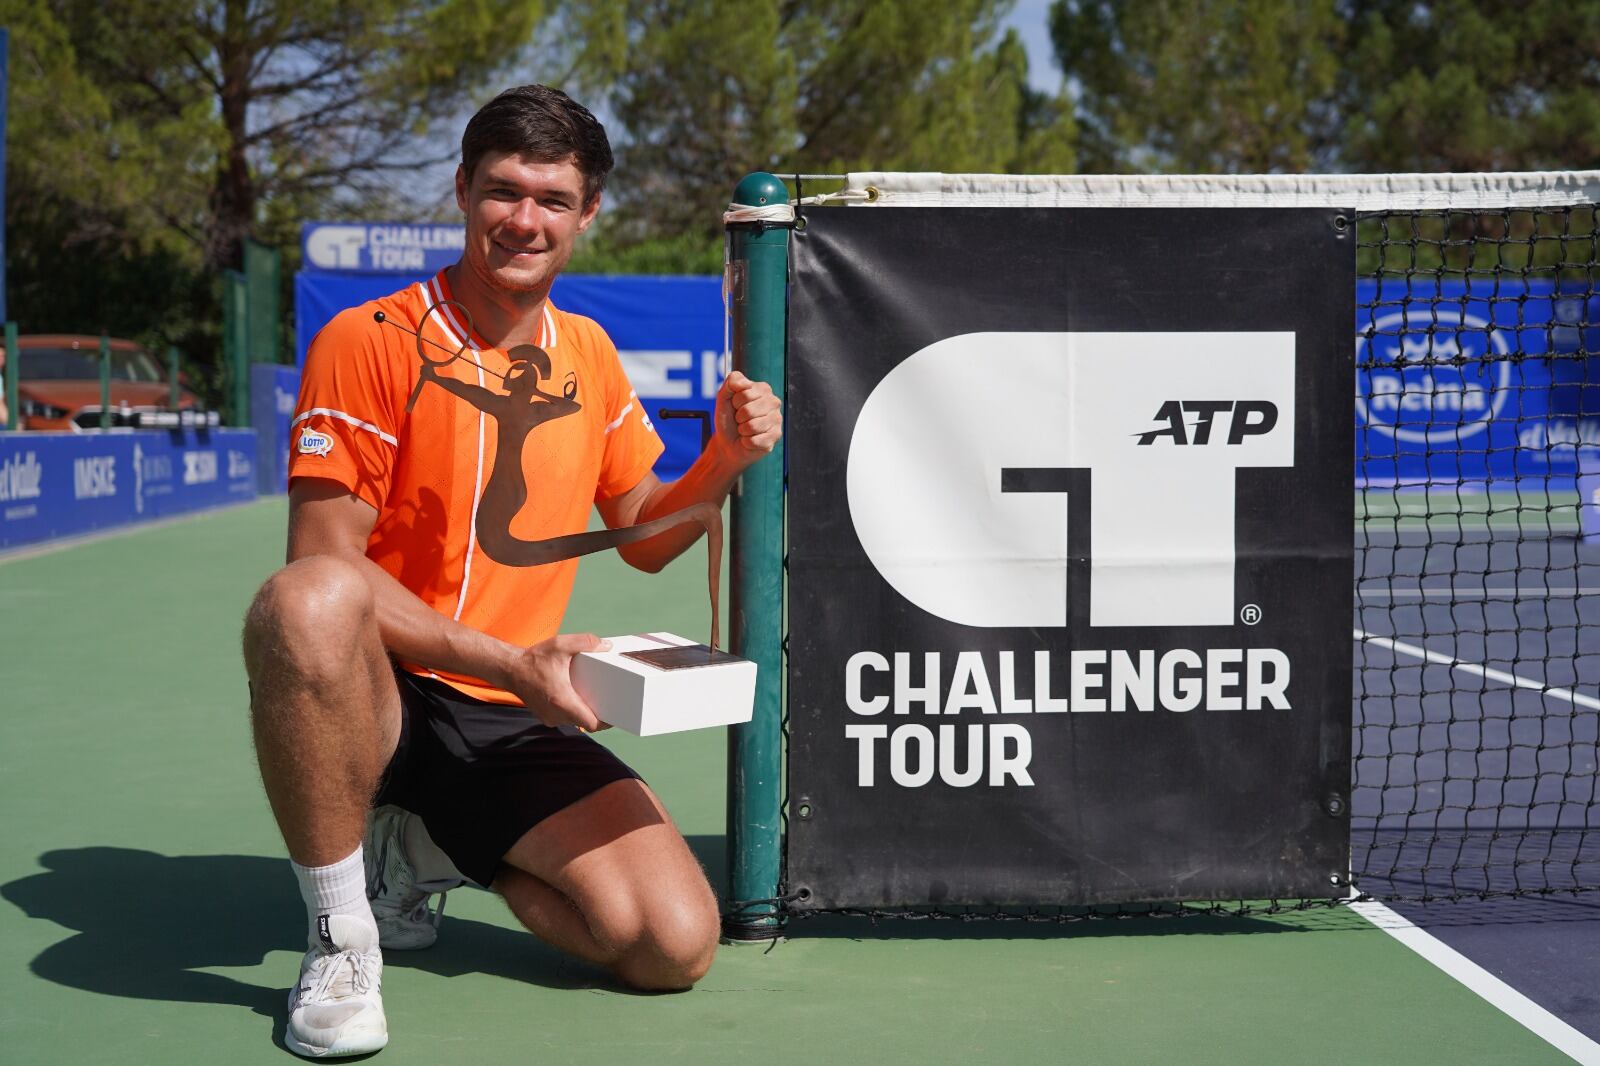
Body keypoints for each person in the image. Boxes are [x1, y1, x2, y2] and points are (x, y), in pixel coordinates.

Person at [241, 84, 782, 1059]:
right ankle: (339, 936)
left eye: (552, 199)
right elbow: (326, 567)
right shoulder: (366, 339)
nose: (524, 219)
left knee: (673, 942)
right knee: (304, 601)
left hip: (505, 706)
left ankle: (427, 846)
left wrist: (725, 462)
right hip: (381, 691)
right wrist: (510, 661)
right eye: (503, 190)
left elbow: (647, 535)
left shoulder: (591, 354)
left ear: (588, 214)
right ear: (460, 189)